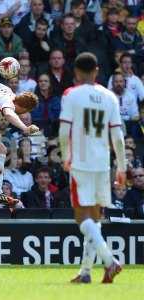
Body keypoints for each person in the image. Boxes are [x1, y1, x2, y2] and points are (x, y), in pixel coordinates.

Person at [59, 52, 126, 284]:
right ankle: (86, 272)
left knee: (82, 218)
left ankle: (110, 261)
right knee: (95, 218)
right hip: (103, 162)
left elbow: (63, 131)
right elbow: (117, 136)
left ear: (76, 72)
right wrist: (122, 167)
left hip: (80, 161)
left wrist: (66, 156)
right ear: (97, 70)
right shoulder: (110, 97)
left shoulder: (71, 95)